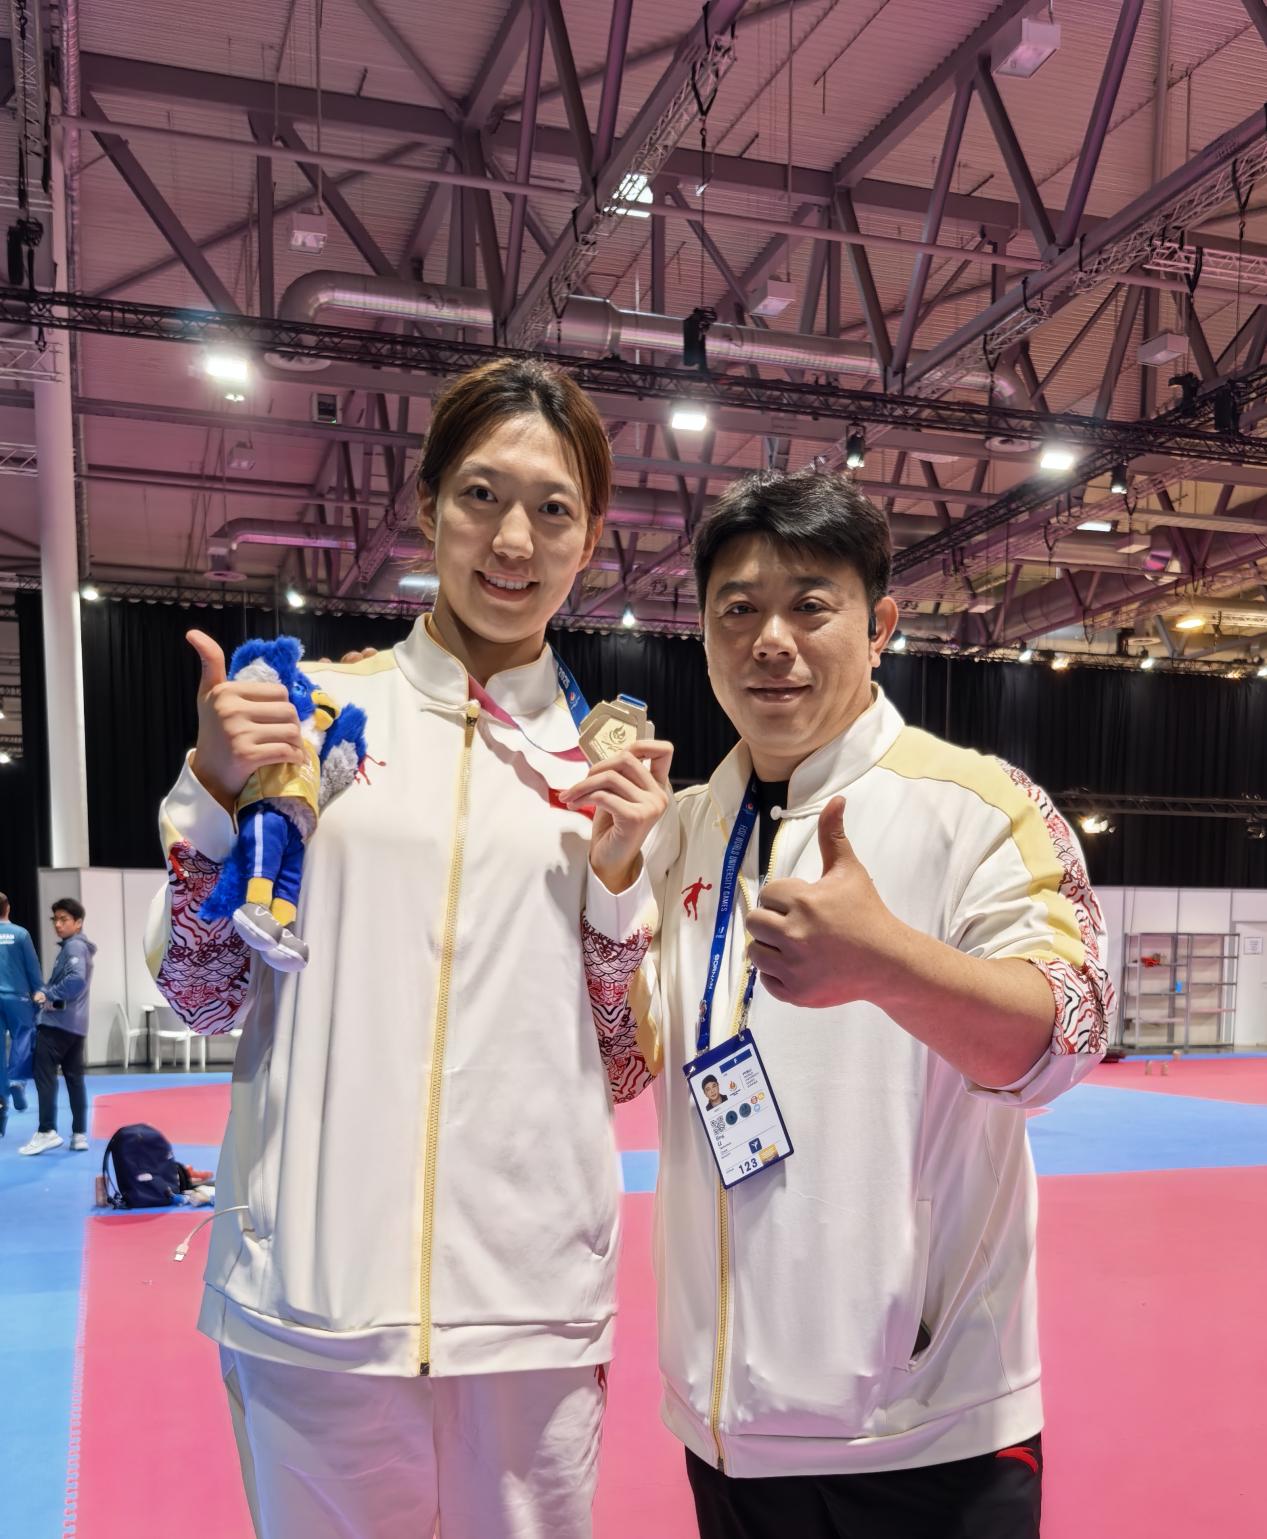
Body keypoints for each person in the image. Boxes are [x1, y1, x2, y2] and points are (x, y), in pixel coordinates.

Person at [143, 357, 671, 1539]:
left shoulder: (615, 780)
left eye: (553, 509)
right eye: (481, 495)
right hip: (312, 1302)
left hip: (531, 1316)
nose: (513, 540)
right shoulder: (307, 716)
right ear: (428, 504)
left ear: (590, 539)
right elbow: (199, 994)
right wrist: (215, 792)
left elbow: (628, 1065)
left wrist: (619, 881)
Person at [581, 469, 1113, 1539]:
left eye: (810, 605)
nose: (770, 640)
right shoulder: (680, 828)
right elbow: (625, 1061)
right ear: (704, 634)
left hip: (929, 1433)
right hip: (726, 1428)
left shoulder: (976, 805)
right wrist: (609, 886)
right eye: (738, 608)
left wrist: (889, 964)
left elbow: (1070, 1033)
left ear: (878, 628)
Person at [20, 898, 96, 1156]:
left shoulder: (74, 946)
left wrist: (47, 994)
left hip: (57, 1025)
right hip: (76, 1026)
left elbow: (75, 980)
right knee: (74, 1080)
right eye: (56, 919)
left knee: (45, 1077)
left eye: (64, 919)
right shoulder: (78, 947)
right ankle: (79, 1134)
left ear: (78, 922)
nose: (58, 924)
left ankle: (46, 1131)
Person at [0, 890, 43, 1137]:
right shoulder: (20, 934)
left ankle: (1, 1103)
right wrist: (39, 991)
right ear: (8, 908)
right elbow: (32, 967)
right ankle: (16, 1080)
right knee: (23, 1036)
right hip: (17, 997)